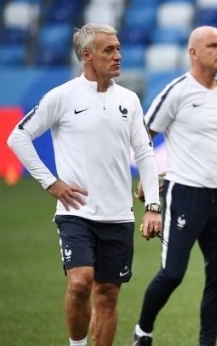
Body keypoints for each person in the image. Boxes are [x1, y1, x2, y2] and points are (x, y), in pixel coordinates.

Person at [6, 23, 162, 346]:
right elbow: (17, 136)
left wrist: (153, 206)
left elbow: (145, 153)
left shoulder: (129, 100)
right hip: (76, 212)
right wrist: (50, 182)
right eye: (110, 50)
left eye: (118, 48)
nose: (118, 56)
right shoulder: (62, 96)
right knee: (80, 283)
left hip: (118, 215)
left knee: (107, 295)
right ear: (87, 56)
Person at [132, 25, 217, 346]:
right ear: (193, 52)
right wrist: (150, 186)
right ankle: (143, 331)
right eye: (212, 45)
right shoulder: (176, 92)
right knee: (173, 273)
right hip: (185, 193)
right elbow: (143, 137)